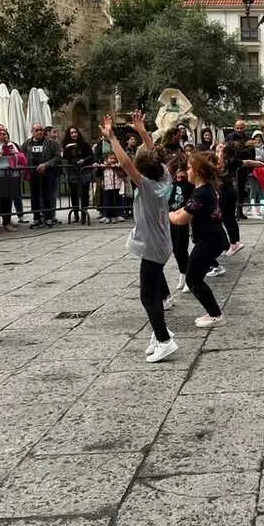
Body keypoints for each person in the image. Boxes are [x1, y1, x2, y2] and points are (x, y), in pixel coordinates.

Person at [101, 111, 178, 363]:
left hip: (154, 247)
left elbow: (126, 165)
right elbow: (152, 153)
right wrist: (142, 130)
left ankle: (165, 341)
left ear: (142, 171)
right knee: (154, 291)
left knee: (147, 296)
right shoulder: (164, 176)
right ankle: (160, 332)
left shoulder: (147, 186)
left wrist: (112, 138)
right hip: (162, 242)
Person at [169, 151, 226, 328]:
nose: (186, 172)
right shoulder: (204, 190)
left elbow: (181, 219)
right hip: (212, 238)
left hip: (210, 240)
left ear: (198, 171)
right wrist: (174, 213)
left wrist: (168, 215)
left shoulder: (201, 193)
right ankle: (213, 313)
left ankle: (216, 315)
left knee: (193, 279)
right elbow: (186, 209)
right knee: (195, 277)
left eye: (188, 168)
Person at [168, 158, 193, 292]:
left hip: (183, 218)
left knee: (181, 248)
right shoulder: (172, 185)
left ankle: (188, 276)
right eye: (178, 175)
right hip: (172, 218)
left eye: (182, 175)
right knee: (175, 249)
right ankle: (182, 273)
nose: (180, 177)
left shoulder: (190, 186)